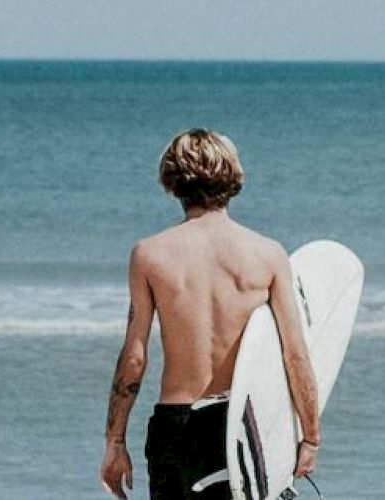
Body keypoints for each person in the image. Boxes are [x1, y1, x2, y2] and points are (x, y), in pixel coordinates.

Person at [99, 129, 322, 499]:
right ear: (232, 175)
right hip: (243, 424)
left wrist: (114, 441)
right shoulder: (268, 254)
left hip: (177, 426)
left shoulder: (149, 254)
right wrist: (310, 436)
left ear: (172, 180)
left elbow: (134, 359)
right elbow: (295, 354)